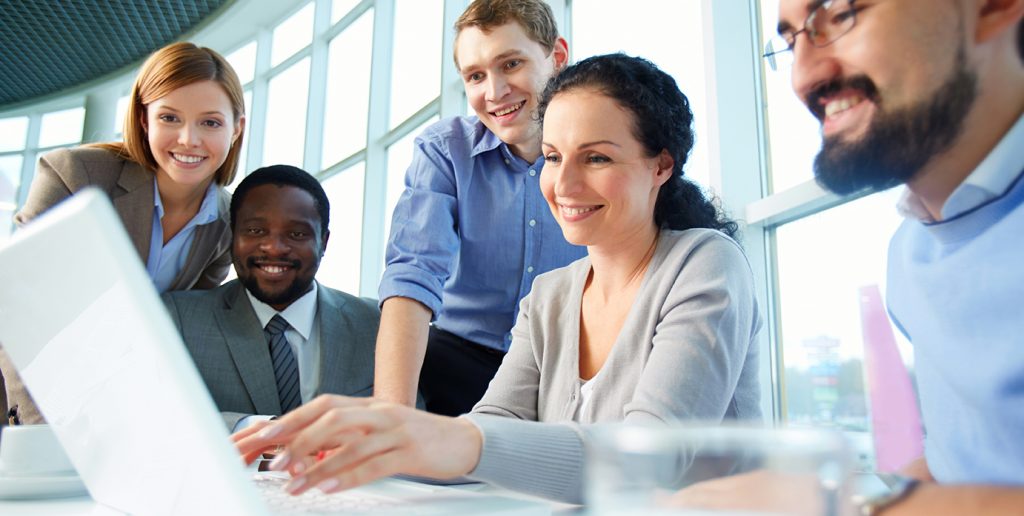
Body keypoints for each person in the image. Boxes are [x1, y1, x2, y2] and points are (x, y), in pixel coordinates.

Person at [233, 54, 762, 504]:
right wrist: (363, 442)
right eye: (553, 157)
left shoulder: (705, 263)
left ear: (662, 165)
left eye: (597, 157)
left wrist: (447, 436)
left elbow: (650, 463)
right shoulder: (550, 296)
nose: (565, 184)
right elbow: (491, 436)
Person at [675, 1, 1024, 514]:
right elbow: (970, 465)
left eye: (840, 15)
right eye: (793, 40)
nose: (804, 76)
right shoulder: (912, 249)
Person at [0, 41, 245, 425]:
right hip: (19, 402)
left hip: (111, 416)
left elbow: (179, 330)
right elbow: (15, 305)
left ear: (236, 130)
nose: (188, 139)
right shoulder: (75, 175)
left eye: (210, 122)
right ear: (144, 119)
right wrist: (37, 429)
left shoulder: (227, 225)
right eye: (170, 118)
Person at [374, 0, 587, 416]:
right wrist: (392, 416)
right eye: (475, 76)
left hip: (568, 365)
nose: (494, 92)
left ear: (556, 57)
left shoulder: (601, 152)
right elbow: (413, 274)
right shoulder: (444, 150)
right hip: (460, 360)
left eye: (510, 64)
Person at [162, 165, 379, 431]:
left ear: (324, 242)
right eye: (255, 231)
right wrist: (263, 430)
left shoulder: (375, 324)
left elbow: (408, 420)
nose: (274, 248)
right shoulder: (179, 319)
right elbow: (155, 414)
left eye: (297, 234)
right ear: (233, 236)